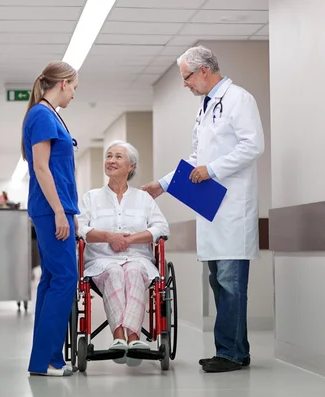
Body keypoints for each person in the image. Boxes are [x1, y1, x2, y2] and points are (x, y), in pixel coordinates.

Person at [141, 46, 264, 373]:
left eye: (186, 78)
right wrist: (162, 184)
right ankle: (235, 349)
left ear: (204, 71)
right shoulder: (206, 107)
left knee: (231, 283)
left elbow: (253, 145)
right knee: (219, 282)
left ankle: (231, 354)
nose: (185, 84)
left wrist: (213, 170)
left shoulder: (239, 99)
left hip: (234, 207)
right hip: (213, 210)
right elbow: (196, 156)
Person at [77, 140, 170, 367]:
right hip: (101, 261)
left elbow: (162, 228)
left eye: (118, 157)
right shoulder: (91, 197)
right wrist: (109, 237)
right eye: (109, 156)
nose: (111, 160)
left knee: (134, 270)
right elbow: (80, 227)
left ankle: (133, 338)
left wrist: (131, 239)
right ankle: (121, 337)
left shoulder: (144, 198)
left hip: (138, 258)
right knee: (113, 271)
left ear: (131, 166)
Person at [22, 61, 80, 377]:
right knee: (65, 279)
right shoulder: (42, 115)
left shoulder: (48, 115)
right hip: (50, 210)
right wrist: (60, 211)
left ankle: (44, 359)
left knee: (50, 281)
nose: (74, 94)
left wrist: (68, 211)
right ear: (62, 84)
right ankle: (49, 360)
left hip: (56, 208)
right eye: (74, 87)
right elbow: (41, 168)